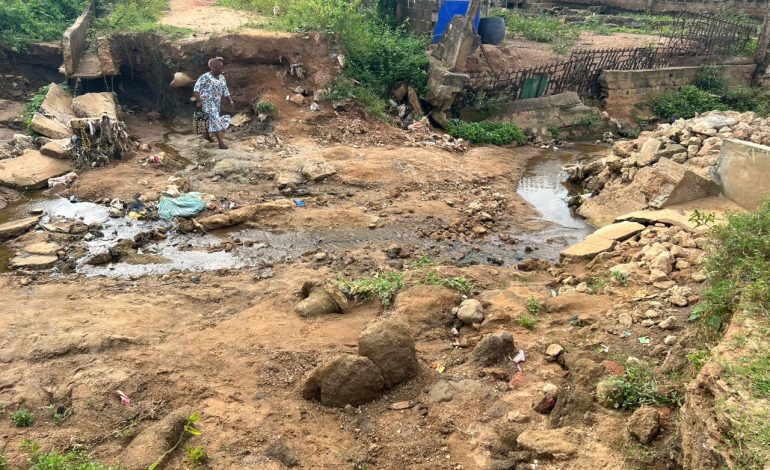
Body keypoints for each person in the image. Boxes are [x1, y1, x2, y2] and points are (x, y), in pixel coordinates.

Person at [193, 57, 234, 149]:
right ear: (212, 68)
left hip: (216, 103)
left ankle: (206, 135)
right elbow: (196, 89)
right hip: (206, 102)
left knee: (207, 119)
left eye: (222, 67)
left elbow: (225, 90)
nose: (222, 70)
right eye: (220, 68)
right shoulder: (205, 77)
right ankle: (221, 143)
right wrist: (199, 101)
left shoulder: (222, 78)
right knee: (215, 119)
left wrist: (230, 100)